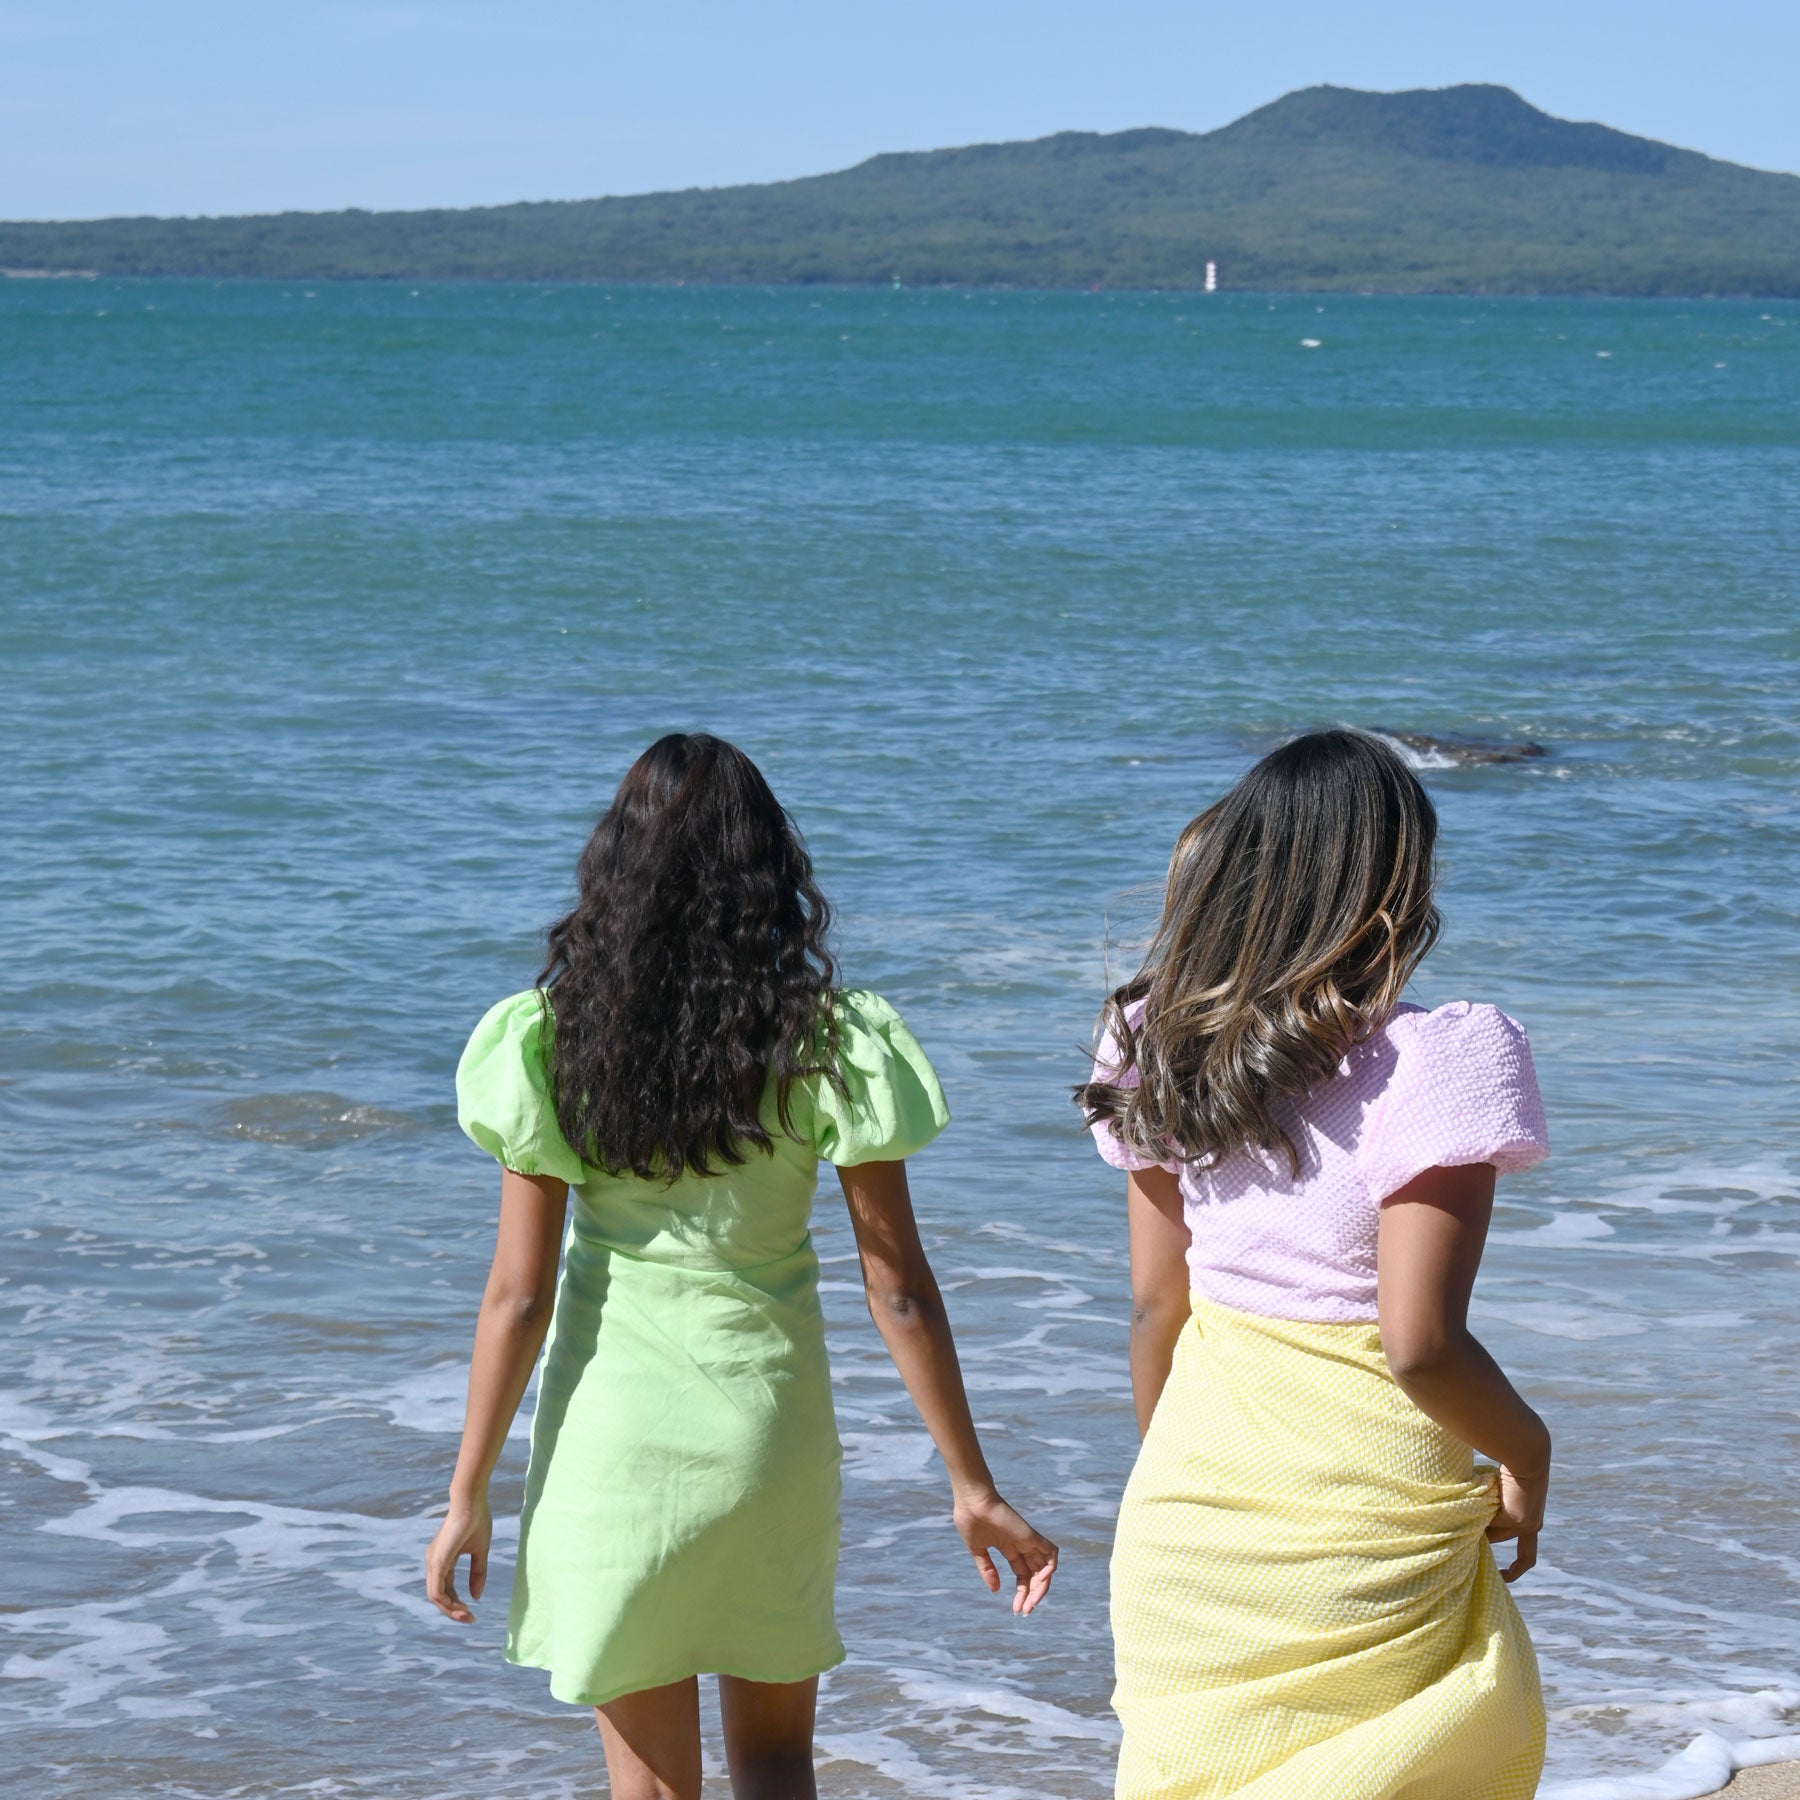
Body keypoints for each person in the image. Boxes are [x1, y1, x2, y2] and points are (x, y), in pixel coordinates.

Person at [426, 733, 1056, 1800]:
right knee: (775, 1768)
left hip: (612, 1444)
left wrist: (467, 1493)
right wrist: (972, 1483)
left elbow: (518, 1295)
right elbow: (897, 1285)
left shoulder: (549, 1041)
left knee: (653, 1789)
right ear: (770, 873)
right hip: (765, 1439)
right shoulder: (828, 1040)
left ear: (611, 869)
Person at [1078, 729, 1551, 1800]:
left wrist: (1191, 1482)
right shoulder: (1439, 1062)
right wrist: (1529, 1449)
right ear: (1398, 884)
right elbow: (1418, 1343)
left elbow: (1160, 1308)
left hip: (1187, 1525)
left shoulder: (1156, 1040)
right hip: (1358, 1529)